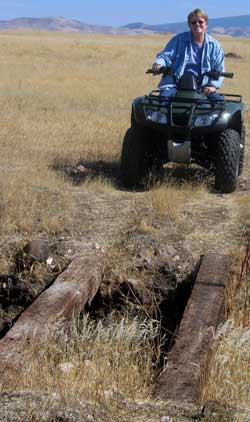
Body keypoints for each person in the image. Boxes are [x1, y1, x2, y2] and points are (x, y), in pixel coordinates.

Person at [152, 8, 225, 99]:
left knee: (219, 103)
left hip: (202, 86)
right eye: (193, 22)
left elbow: (220, 69)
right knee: (162, 104)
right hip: (175, 84)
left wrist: (212, 86)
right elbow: (165, 56)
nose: (197, 24)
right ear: (189, 25)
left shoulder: (215, 46)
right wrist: (158, 64)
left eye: (200, 22)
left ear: (206, 24)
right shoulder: (178, 40)